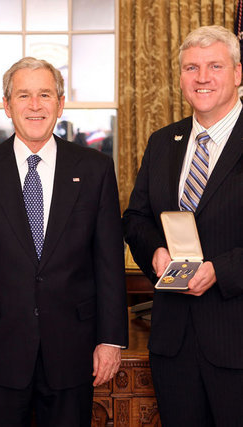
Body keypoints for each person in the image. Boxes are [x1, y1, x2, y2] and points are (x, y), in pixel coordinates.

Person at [0, 57, 128, 426]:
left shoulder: (94, 169)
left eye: (45, 94)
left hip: (74, 350)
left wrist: (111, 340)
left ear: (60, 104)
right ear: (7, 105)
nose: (35, 105)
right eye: (23, 95)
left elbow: (109, 261)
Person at [123, 25, 243, 426]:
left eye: (214, 66)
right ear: (180, 79)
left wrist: (220, 270)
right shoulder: (162, 142)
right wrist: (155, 253)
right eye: (191, 67)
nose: (202, 77)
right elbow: (136, 218)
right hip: (173, 344)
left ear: (238, 73)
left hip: (236, 342)